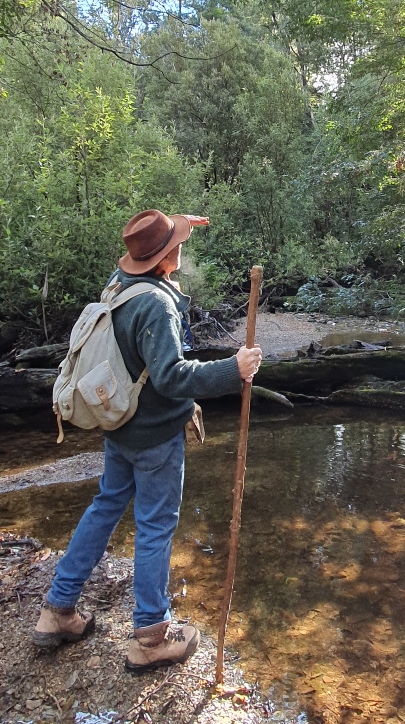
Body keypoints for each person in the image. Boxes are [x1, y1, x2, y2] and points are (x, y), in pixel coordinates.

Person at [31, 209, 262, 672]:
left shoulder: (120, 283)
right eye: (177, 244)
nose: (182, 249)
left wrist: (177, 224)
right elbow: (171, 377)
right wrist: (232, 370)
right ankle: (152, 636)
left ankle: (58, 609)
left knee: (106, 505)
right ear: (165, 258)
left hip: (119, 426)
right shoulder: (156, 304)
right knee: (155, 527)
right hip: (154, 436)